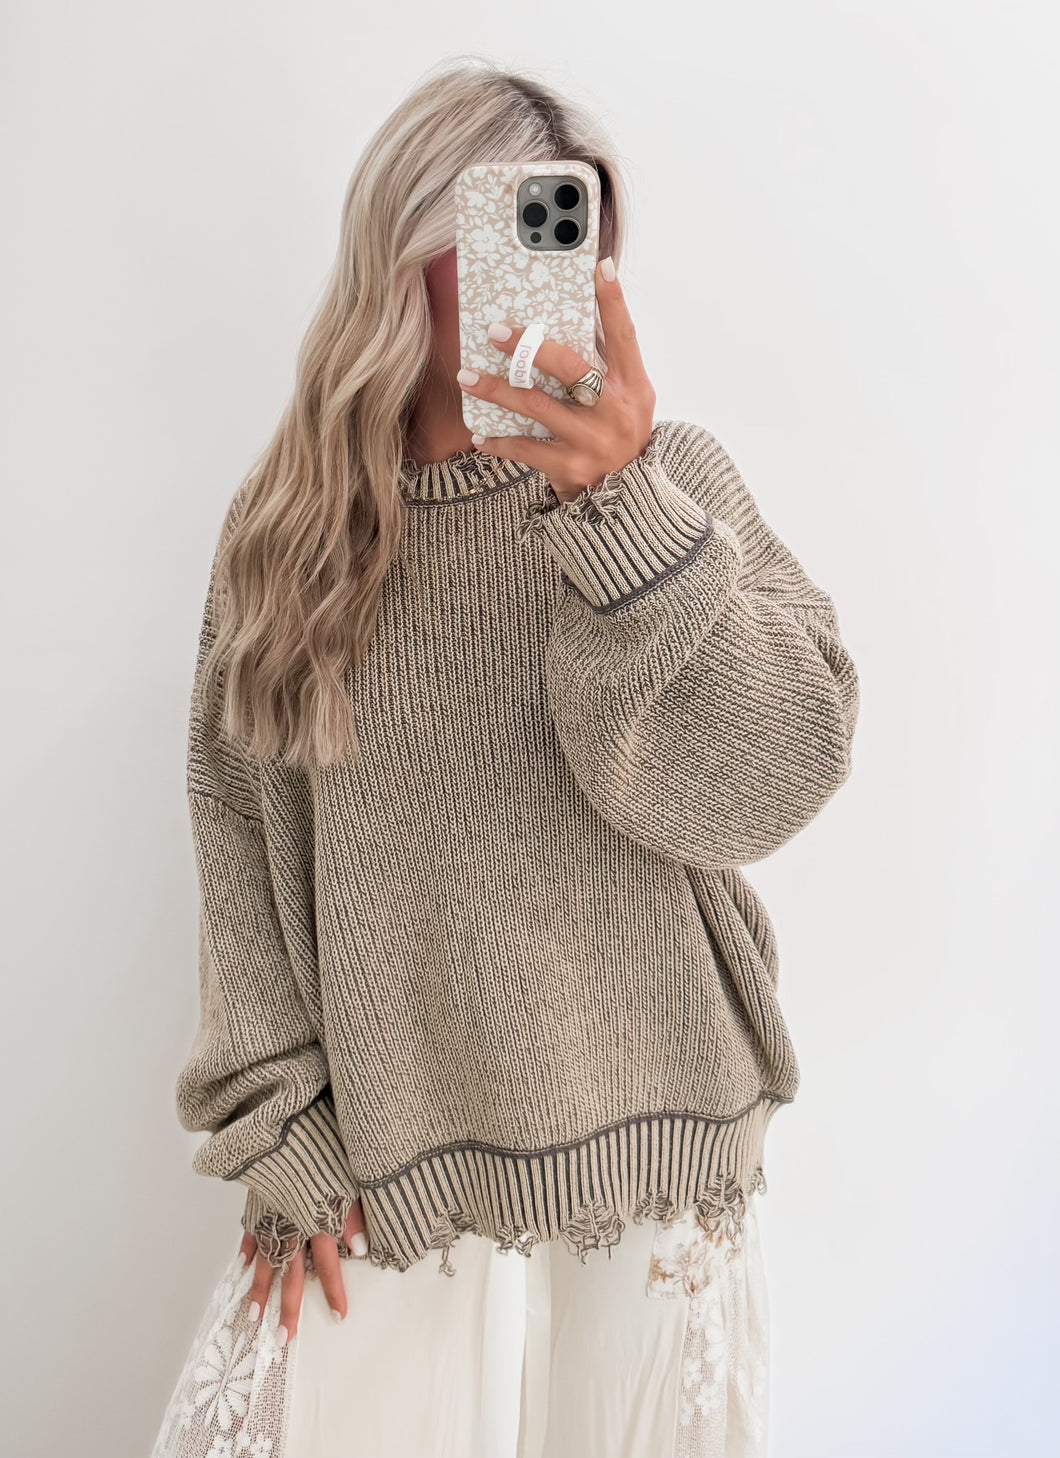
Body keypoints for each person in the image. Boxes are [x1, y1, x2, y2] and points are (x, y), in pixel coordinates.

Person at [151, 58, 859, 1458]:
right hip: (390, 1175)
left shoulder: (672, 490)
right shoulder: (296, 535)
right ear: (401, 253)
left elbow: (775, 773)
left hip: (660, 1161)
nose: (543, 270)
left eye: (568, 232)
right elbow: (240, 834)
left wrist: (622, 517)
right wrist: (276, 1124)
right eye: (505, 228)